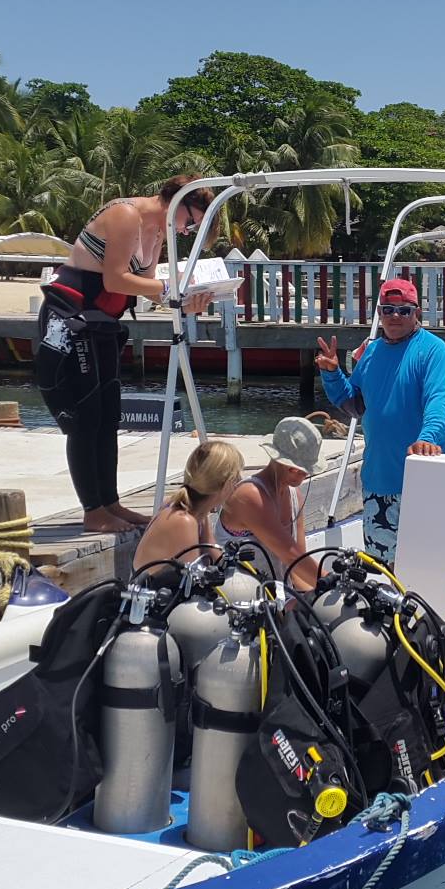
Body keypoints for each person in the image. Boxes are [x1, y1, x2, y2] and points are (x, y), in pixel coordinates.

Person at [36, 175, 216, 534]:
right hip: (72, 318)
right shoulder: (126, 214)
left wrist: (186, 299)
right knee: (87, 416)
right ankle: (93, 510)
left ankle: (110, 502)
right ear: (176, 201)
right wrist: (172, 288)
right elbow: (115, 280)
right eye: (191, 221)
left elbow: (148, 288)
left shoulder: (157, 231)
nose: (187, 231)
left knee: (108, 415)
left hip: (102, 322)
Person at [315, 277, 445, 566]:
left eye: (403, 310)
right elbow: (354, 404)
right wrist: (332, 373)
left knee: (427, 566)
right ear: (379, 312)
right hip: (378, 481)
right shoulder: (372, 350)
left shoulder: (433, 350)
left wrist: (427, 438)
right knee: (383, 571)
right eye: (387, 309)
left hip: (424, 480)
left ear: (417, 313)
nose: (394, 316)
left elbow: (438, 403)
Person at [218, 416, 324, 591]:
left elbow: (298, 569)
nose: (300, 475)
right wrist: (333, 584)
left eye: (305, 471)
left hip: (280, 595)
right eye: (293, 468)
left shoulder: (294, 495)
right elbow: (291, 555)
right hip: (240, 598)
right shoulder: (250, 495)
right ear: (276, 459)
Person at [134, 440, 244, 572]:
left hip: (169, 588)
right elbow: (192, 580)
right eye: (237, 477)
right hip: (157, 590)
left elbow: (216, 557)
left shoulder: (195, 512)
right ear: (226, 484)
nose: (239, 482)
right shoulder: (183, 521)